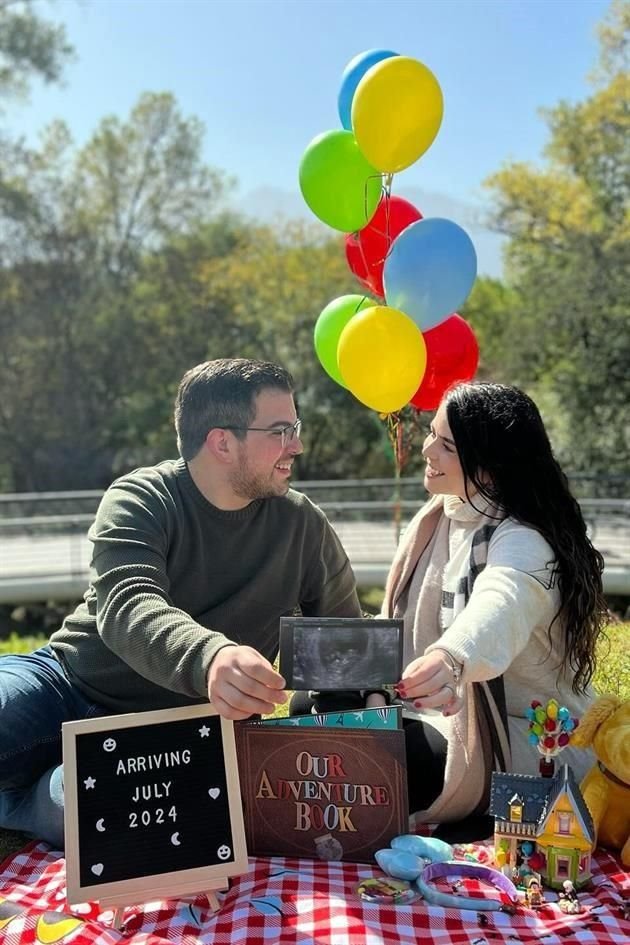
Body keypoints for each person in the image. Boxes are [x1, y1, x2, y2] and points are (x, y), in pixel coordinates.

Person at [0, 358, 361, 848]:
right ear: (222, 442)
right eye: (281, 430)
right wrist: (211, 657)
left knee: (106, 812)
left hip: (179, 738)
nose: (296, 444)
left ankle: (25, 801)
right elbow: (128, 604)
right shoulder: (141, 497)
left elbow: (340, 653)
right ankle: (45, 782)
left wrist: (359, 704)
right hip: (66, 687)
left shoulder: (303, 526)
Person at [376, 381, 607, 830]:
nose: (426, 450)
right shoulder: (441, 516)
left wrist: (451, 656)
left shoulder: (524, 539)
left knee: (398, 761)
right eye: (430, 434)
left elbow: (502, 600)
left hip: (529, 736)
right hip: (441, 714)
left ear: (490, 467)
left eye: (445, 445)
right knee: (319, 713)